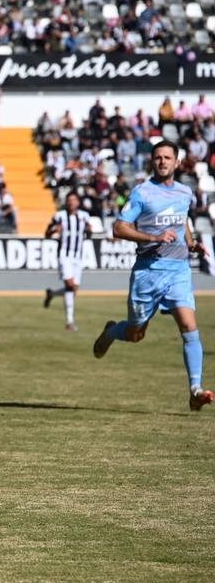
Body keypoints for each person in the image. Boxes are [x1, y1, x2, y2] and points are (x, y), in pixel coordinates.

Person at [93, 140, 214, 412]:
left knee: (189, 327)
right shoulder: (142, 194)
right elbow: (119, 228)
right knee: (137, 334)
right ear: (152, 161)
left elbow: (180, 219)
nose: (162, 161)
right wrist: (153, 237)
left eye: (167, 157)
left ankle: (195, 390)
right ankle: (112, 330)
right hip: (148, 272)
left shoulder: (184, 193)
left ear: (177, 162)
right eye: (158, 157)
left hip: (178, 271)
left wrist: (191, 242)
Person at [44, 191, 91, 331]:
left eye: (74, 200)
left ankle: (52, 294)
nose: (71, 202)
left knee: (73, 289)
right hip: (65, 255)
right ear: (66, 202)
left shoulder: (84, 216)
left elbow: (89, 234)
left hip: (78, 256)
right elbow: (46, 233)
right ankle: (69, 322)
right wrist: (54, 230)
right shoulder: (59, 216)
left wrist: (89, 230)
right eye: (69, 200)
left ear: (78, 202)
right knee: (70, 285)